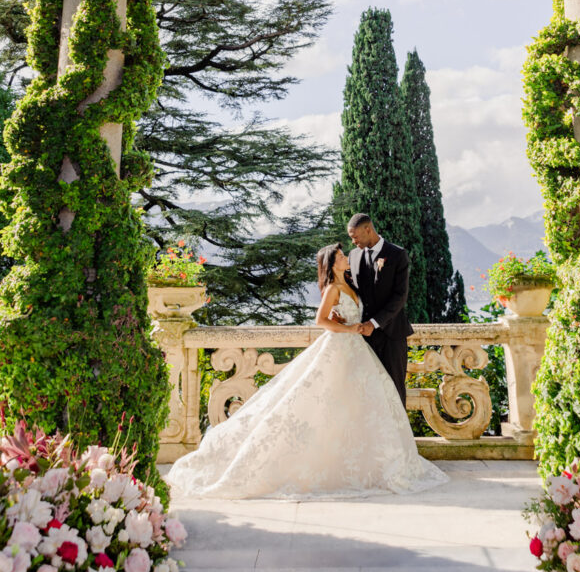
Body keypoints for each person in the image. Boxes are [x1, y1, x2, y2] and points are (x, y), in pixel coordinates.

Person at [166, 242, 447, 500]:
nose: (346, 257)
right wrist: (349, 328)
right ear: (331, 262)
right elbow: (321, 320)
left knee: (354, 408)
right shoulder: (333, 290)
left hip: (357, 351)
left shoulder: (349, 284)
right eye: (340, 256)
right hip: (339, 348)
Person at [338, 213, 412, 406]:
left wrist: (374, 323)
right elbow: (350, 290)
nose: (353, 242)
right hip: (363, 338)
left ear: (368, 229)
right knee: (366, 391)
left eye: (355, 236)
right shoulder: (353, 256)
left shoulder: (397, 254)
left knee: (394, 389)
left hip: (392, 335)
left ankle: (398, 436)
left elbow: (400, 296)